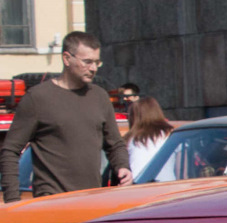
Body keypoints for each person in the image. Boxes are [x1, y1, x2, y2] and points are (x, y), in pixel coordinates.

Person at [1, 31, 131, 201]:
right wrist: (12, 200)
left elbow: (115, 145)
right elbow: (10, 150)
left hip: (92, 202)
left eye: (97, 62)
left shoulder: (100, 97)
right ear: (67, 59)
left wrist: (123, 167)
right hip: (51, 203)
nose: (93, 68)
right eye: (87, 62)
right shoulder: (37, 98)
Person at [124, 96, 175, 180]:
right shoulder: (171, 134)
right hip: (168, 184)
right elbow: (182, 166)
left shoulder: (130, 139)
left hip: (136, 184)